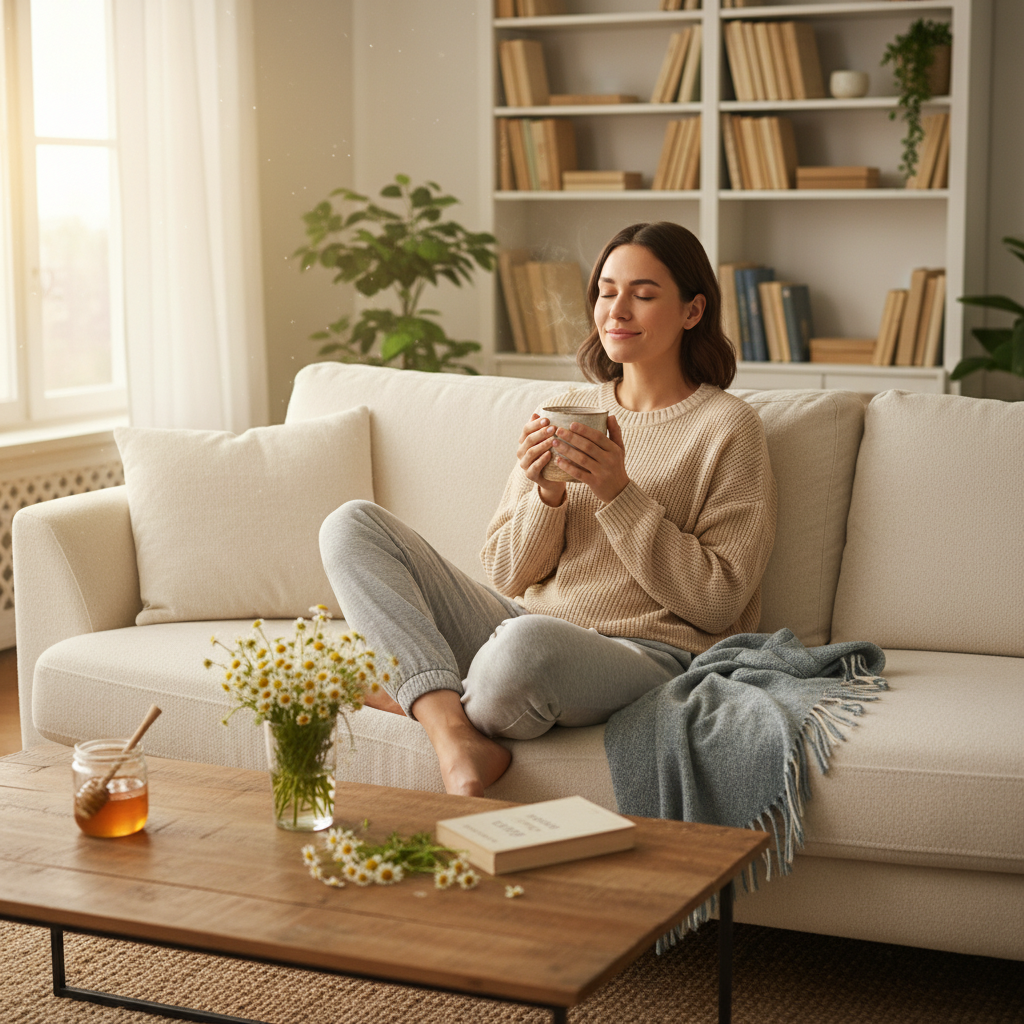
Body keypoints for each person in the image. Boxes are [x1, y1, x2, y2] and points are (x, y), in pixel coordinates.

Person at [320, 221, 777, 797]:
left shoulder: (728, 428)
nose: (618, 309)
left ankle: (415, 687)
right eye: (607, 291)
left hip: (644, 653)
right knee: (350, 525)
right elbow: (506, 574)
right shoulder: (563, 411)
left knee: (520, 651)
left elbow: (719, 601)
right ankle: (451, 728)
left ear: (692, 311)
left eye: (643, 293)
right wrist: (547, 495)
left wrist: (618, 494)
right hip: (516, 622)